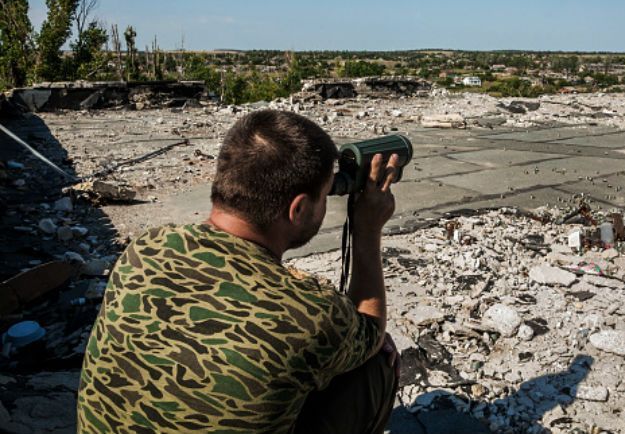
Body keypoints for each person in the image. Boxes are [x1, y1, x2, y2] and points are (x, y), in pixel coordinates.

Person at [77, 110, 400, 434]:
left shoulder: (145, 248)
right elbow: (371, 328)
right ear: (298, 209)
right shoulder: (311, 315)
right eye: (325, 195)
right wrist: (367, 229)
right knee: (373, 363)